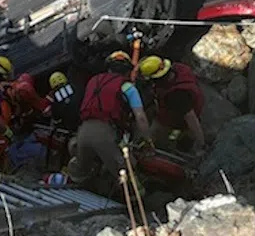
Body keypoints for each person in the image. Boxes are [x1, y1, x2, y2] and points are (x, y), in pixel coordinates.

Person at [67, 51, 152, 185]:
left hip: (83, 131)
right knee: (126, 173)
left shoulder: (93, 81)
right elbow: (140, 117)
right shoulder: (128, 87)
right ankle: (134, 199)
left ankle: (79, 184)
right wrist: (147, 140)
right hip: (106, 133)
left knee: (81, 168)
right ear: (127, 71)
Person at [137, 55, 206, 156]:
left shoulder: (176, 95)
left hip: (176, 120)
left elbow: (191, 118)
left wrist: (201, 144)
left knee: (152, 134)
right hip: (185, 105)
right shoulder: (179, 69)